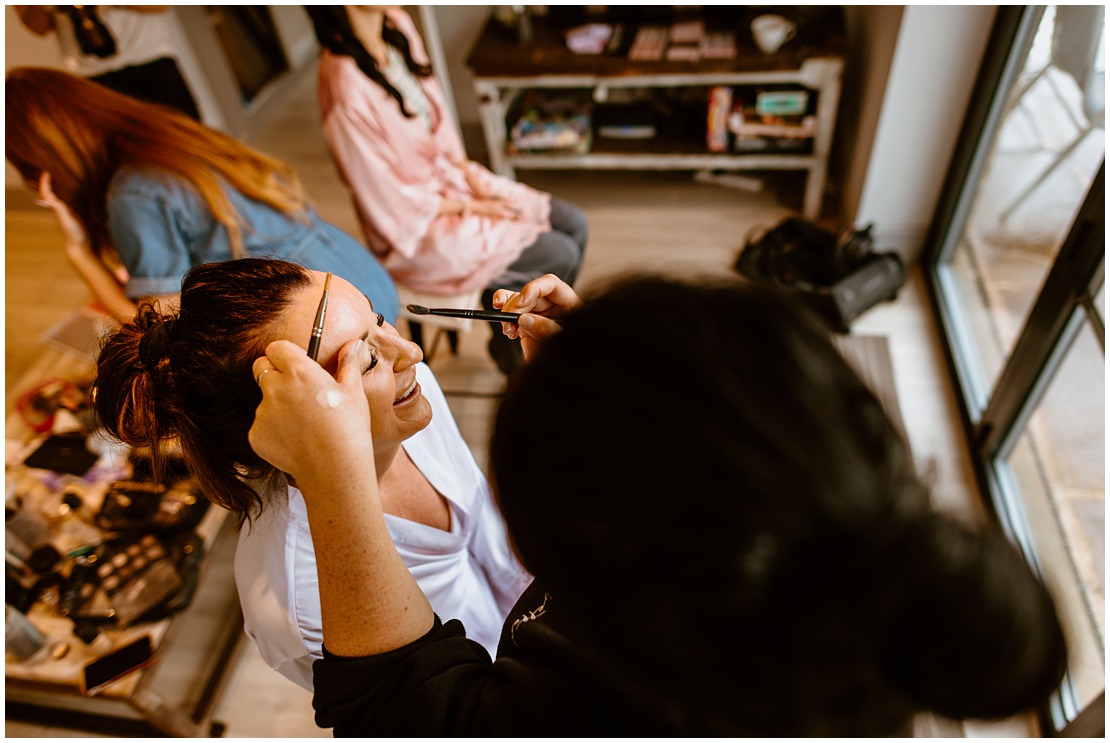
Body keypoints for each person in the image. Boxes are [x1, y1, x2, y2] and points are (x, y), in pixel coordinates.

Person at [247, 273, 1069, 736]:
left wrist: (338, 481)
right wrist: (615, 377)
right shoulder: (848, 551)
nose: (409, 355)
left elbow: (413, 716)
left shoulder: (634, 699)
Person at [91, 259, 529, 691]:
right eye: (367, 360)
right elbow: (403, 712)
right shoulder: (295, 601)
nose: (410, 353)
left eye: (377, 319)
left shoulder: (411, 395)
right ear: (281, 423)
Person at [305, 6, 588, 374]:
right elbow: (384, 198)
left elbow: (441, 125)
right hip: (417, 223)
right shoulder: (343, 81)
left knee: (574, 222)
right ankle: (517, 350)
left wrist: (474, 183)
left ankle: (520, 322)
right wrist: (469, 207)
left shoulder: (397, 25)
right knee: (558, 252)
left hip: (454, 180)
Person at [5, 67, 399, 326]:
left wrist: (80, 254)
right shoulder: (167, 136)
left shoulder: (132, 193)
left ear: (45, 161)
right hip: (356, 277)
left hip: (323, 317)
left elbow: (158, 332)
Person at [15, 5, 201, 120]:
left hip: (149, 56)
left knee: (190, 134)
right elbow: (38, 28)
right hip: (90, 73)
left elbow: (160, 5)